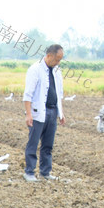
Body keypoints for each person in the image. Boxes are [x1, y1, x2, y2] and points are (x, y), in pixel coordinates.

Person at [22, 44, 65, 183]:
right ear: (48, 56)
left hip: (52, 111)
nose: (58, 62)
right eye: (57, 59)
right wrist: (28, 114)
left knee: (48, 145)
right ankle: (29, 172)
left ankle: (45, 172)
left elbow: (59, 93)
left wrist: (61, 113)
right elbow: (28, 94)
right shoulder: (35, 69)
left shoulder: (57, 71)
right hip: (38, 112)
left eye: (60, 59)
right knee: (33, 143)